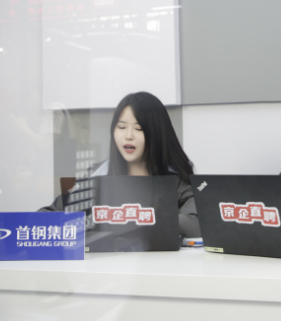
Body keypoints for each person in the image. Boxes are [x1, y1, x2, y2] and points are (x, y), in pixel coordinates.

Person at [40, 92, 201, 238]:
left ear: (157, 134)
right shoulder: (97, 174)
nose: (128, 136)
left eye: (139, 128)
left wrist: (130, 219)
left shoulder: (176, 181)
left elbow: (197, 221)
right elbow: (48, 214)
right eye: (121, 127)